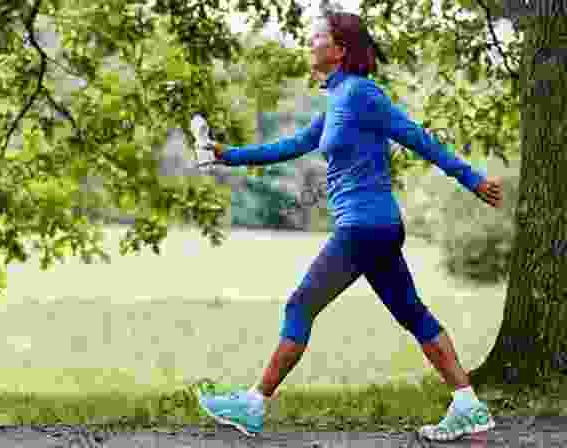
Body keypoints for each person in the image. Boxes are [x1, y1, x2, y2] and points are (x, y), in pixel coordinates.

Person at [196, 11, 503, 442]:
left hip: (363, 227)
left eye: (318, 36)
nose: (310, 41)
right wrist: (227, 154)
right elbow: (291, 146)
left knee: (300, 306)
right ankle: (468, 404)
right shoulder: (336, 101)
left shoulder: (362, 94)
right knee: (412, 313)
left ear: (339, 49)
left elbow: (418, 137)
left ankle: (253, 404)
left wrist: (470, 179)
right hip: (373, 229)